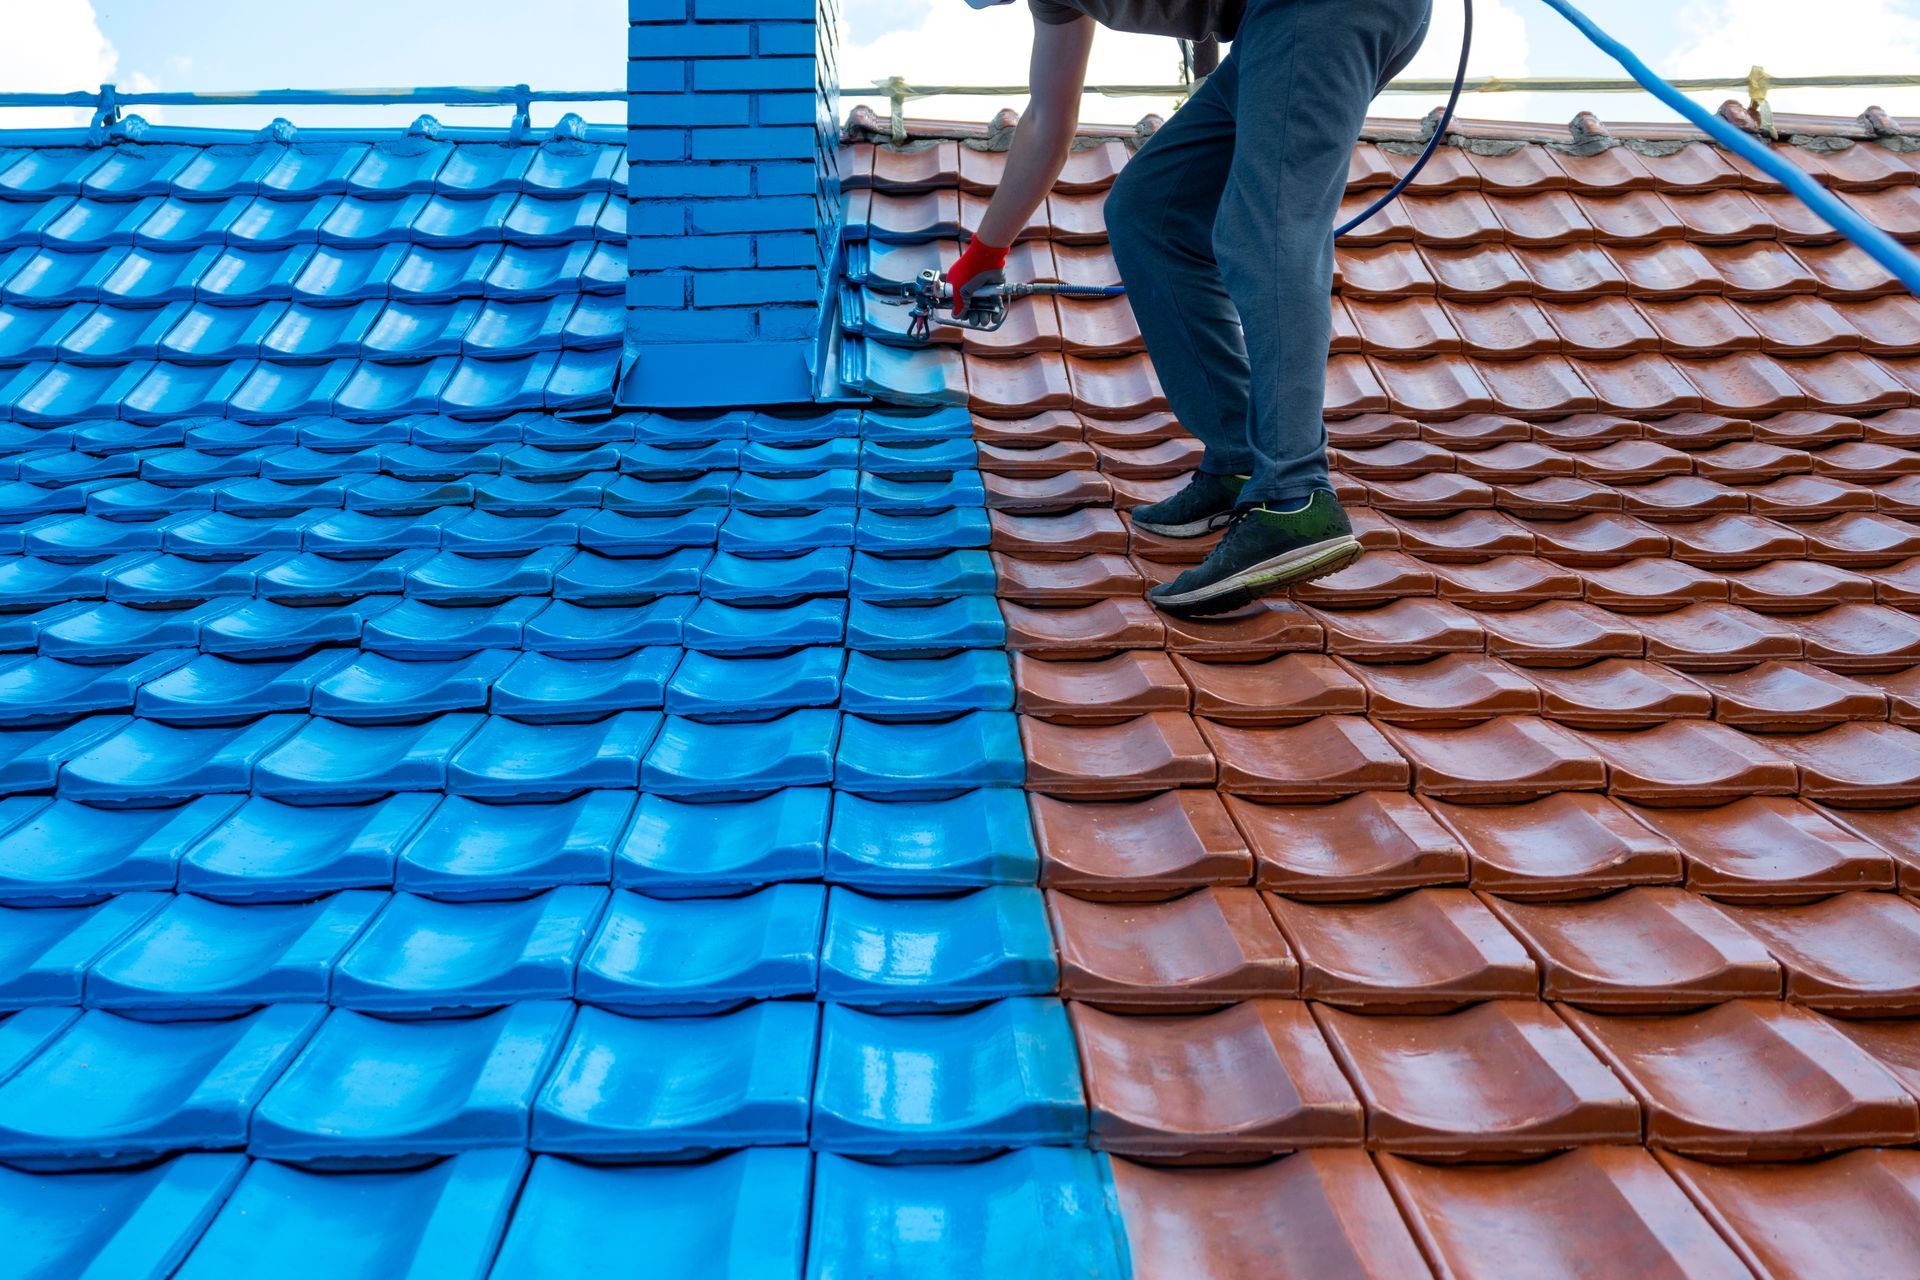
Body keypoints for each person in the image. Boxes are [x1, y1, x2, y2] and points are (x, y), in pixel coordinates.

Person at [949, 0, 1432, 616]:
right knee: (1152, 209)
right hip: (1272, 23)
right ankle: (1237, 456)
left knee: (1265, 228)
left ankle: (1294, 498)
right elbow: (1047, 118)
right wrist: (986, 251)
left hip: (1321, 12)